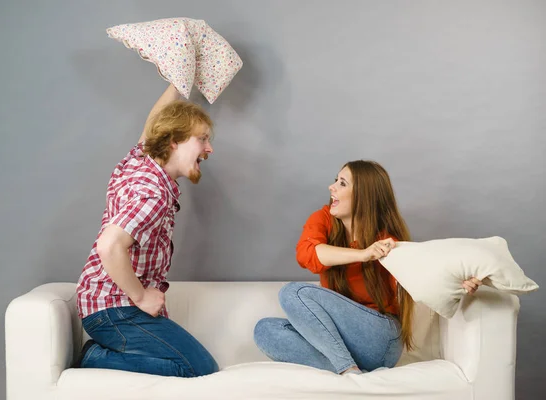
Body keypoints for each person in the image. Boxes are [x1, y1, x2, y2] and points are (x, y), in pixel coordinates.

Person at [253, 160, 482, 374]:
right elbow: (308, 254)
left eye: (342, 184)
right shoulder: (323, 218)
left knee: (292, 293)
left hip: (381, 338)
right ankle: (351, 371)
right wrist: (363, 254)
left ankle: (346, 371)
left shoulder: (385, 239)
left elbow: (421, 270)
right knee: (265, 330)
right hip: (344, 344)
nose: (331, 187)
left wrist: (460, 283)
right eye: (336, 180)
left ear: (363, 195)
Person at [73, 84, 219, 377]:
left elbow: (154, 123)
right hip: (116, 310)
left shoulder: (141, 162)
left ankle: (98, 354)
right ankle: (93, 359)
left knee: (196, 364)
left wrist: (179, 83)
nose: (209, 148)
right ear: (174, 141)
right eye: (202, 139)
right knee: (199, 367)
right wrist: (140, 297)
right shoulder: (153, 193)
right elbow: (109, 245)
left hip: (102, 307)